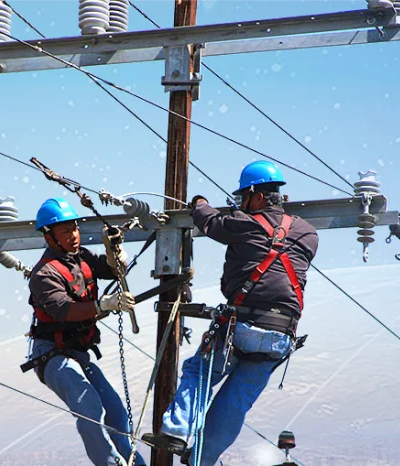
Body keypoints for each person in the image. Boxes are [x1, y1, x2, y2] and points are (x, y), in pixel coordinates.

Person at [142, 160, 319, 466]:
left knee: (200, 373)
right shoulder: (307, 232)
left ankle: (177, 432)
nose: (242, 205)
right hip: (280, 336)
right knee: (235, 403)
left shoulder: (244, 223)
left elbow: (210, 222)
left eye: (244, 198)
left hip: (243, 324)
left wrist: (199, 202)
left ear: (258, 196)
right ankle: (203, 459)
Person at [22, 197, 146, 466]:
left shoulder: (82, 259)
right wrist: (104, 304)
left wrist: (115, 254)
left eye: (75, 228)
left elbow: (112, 270)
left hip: (78, 354)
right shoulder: (44, 274)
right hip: (52, 356)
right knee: (89, 407)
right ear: (49, 235)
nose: (74, 235)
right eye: (65, 230)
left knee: (116, 413)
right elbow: (64, 310)